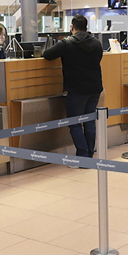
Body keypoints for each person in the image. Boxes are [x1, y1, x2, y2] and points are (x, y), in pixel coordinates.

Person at [42, 15, 104, 159]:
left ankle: (82, 156)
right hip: (95, 88)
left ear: (72, 27)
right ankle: (89, 154)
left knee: (75, 124)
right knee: (89, 122)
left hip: (76, 89)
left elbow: (47, 55)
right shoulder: (97, 43)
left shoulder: (67, 43)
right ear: (86, 28)